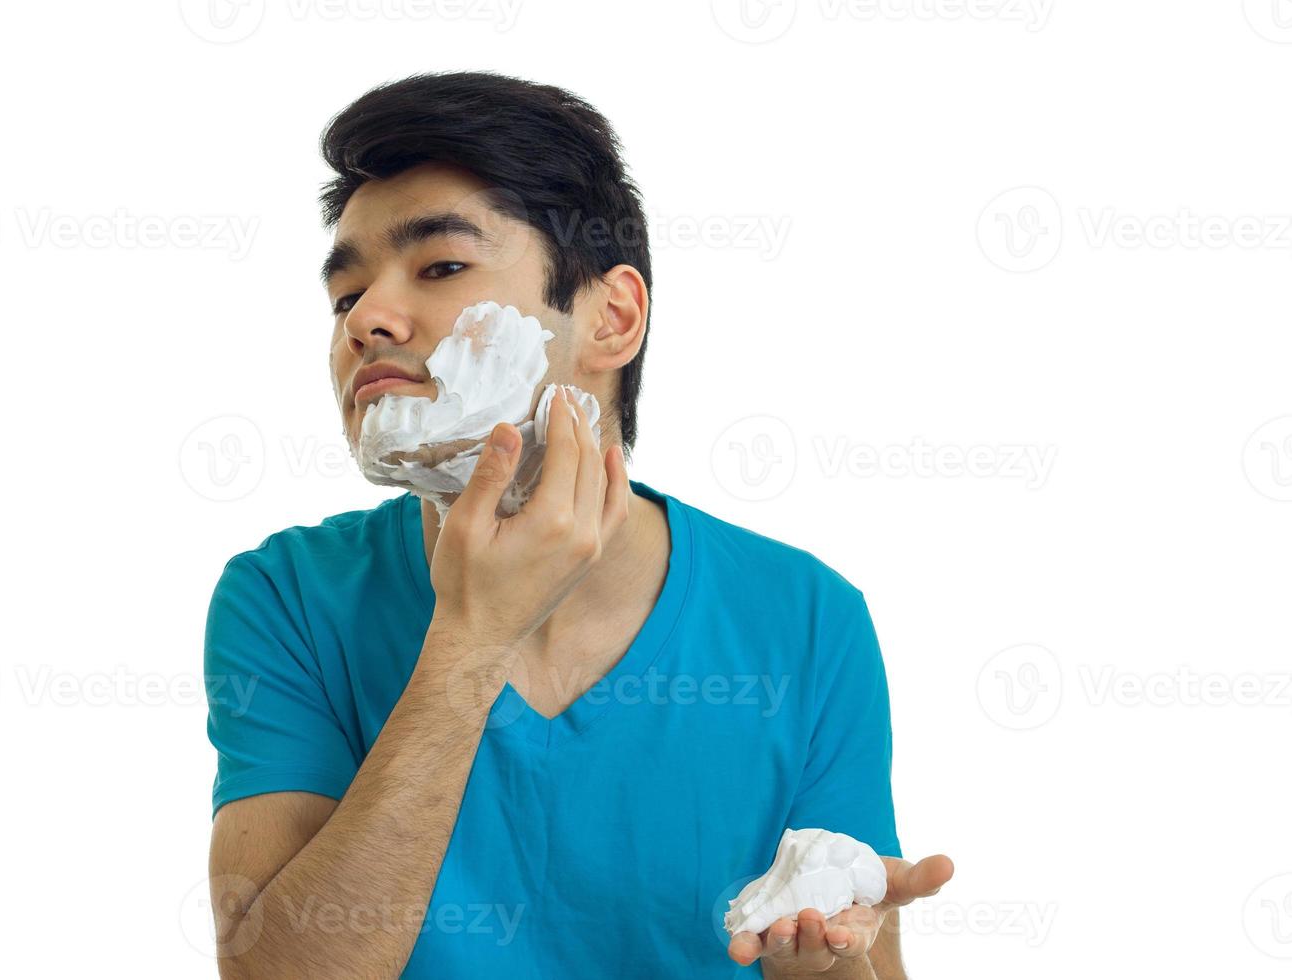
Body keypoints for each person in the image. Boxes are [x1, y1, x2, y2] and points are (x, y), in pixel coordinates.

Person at [203, 70, 952, 979]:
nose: (367, 320)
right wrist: (471, 640)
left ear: (613, 318)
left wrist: (820, 971)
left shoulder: (806, 619)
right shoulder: (287, 598)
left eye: (439, 266)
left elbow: (863, 957)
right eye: (343, 296)